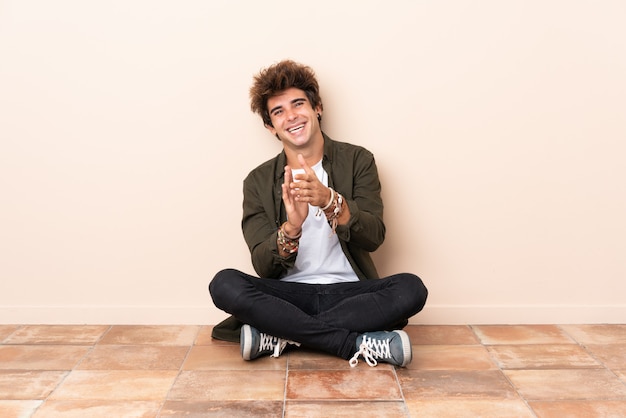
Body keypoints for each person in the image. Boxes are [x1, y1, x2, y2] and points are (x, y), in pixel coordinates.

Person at [209, 59, 428, 367]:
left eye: (298, 104)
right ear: (270, 126)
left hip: (351, 294)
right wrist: (291, 228)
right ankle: (352, 343)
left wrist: (330, 203)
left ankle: (281, 334)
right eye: (278, 111)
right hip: (287, 296)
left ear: (317, 108)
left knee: (411, 288)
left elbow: (374, 236)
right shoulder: (257, 181)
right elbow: (263, 266)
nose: (291, 116)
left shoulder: (358, 161)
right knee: (224, 284)